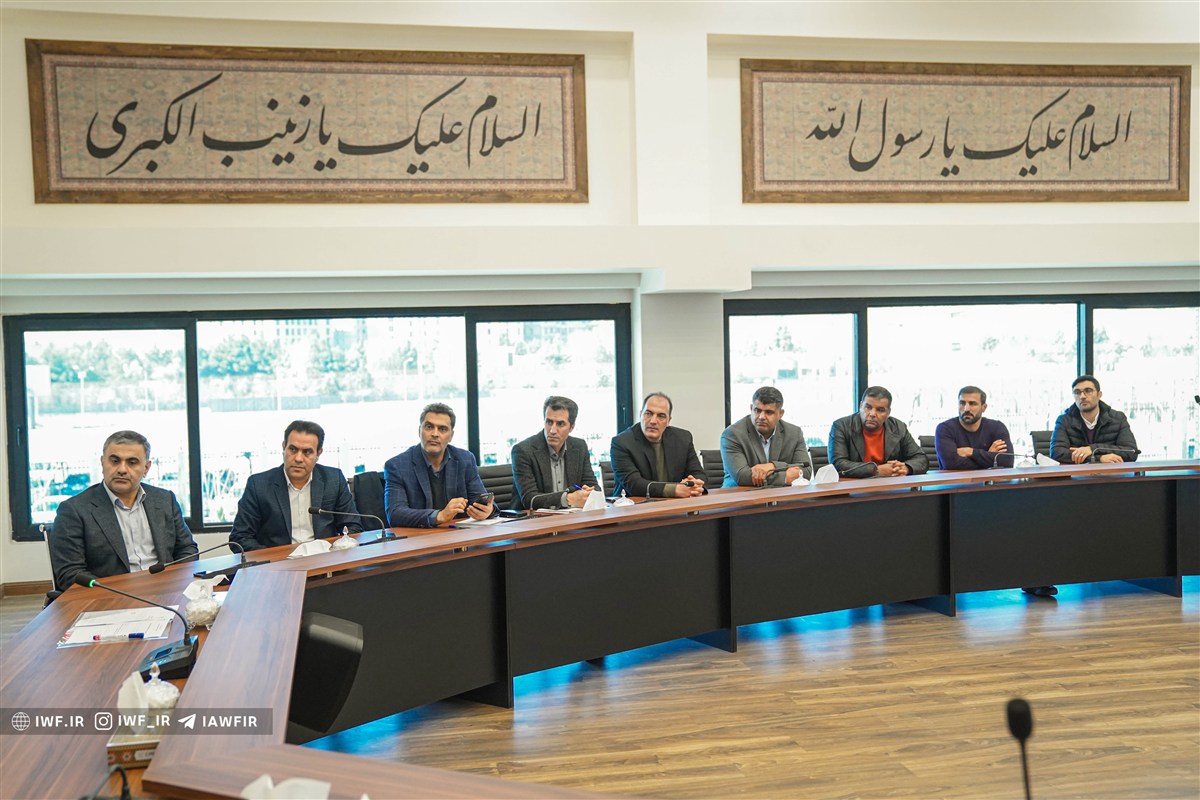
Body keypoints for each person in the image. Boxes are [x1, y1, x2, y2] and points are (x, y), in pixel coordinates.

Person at [49, 430, 197, 591]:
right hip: (111, 596)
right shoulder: (74, 510)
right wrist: (118, 594)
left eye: (132, 462)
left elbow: (187, 550)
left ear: (146, 468)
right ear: (102, 463)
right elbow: (69, 573)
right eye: (114, 461)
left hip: (166, 590)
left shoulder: (165, 500)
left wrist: (175, 583)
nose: (122, 469)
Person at [228, 420, 361, 551]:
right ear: (283, 447)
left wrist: (335, 551)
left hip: (325, 559)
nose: (298, 458)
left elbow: (353, 526)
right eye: (293, 449)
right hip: (279, 561)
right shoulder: (258, 485)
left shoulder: (334, 479)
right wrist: (273, 558)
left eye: (307, 452)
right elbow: (240, 537)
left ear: (318, 453)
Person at [384, 403, 497, 527]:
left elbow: (482, 500)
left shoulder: (465, 459)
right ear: (419, 431)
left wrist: (487, 510)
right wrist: (439, 516)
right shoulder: (397, 466)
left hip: (457, 534)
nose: (435, 434)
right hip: (418, 536)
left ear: (451, 436)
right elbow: (395, 514)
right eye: (429, 427)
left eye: (442, 429)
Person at [510, 396, 600, 510]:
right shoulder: (523, 450)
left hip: (571, 516)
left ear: (572, 427)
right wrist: (567, 498)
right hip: (533, 518)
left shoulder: (579, 447)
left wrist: (588, 493)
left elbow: (594, 487)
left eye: (560, 424)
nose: (552, 430)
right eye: (549, 422)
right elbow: (529, 499)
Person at [610, 392, 706, 498]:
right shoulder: (621, 443)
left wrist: (693, 484)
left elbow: (699, 474)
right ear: (640, 414)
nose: (653, 421)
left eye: (661, 416)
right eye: (648, 414)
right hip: (633, 504)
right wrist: (674, 490)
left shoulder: (683, 438)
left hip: (675, 504)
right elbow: (634, 484)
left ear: (669, 420)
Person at [720, 386, 812, 487]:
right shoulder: (732, 434)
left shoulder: (794, 433)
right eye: (757, 410)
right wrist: (785, 476)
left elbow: (806, 471)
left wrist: (771, 466)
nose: (761, 417)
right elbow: (743, 477)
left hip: (780, 494)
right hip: (740, 494)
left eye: (768, 412)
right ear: (751, 408)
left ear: (780, 413)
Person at [829, 386, 928, 478]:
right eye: (868, 407)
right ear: (860, 406)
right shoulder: (841, 426)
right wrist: (876, 470)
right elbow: (838, 464)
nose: (872, 414)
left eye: (880, 410)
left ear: (888, 413)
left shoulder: (898, 427)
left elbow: (921, 459)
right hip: (854, 486)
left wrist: (905, 468)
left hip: (890, 486)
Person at [1051, 375, 1139, 465]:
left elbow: (1132, 452)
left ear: (1099, 395)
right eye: (1077, 392)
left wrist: (1092, 449)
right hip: (1077, 473)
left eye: (1088, 391)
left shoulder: (1118, 418)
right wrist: (1098, 458)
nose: (1082, 396)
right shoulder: (1064, 420)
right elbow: (1056, 453)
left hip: (1110, 472)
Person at [934, 386, 1015, 470]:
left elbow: (1007, 462)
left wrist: (970, 452)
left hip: (990, 478)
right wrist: (988, 457)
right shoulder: (945, 429)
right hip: (956, 478)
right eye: (962, 403)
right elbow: (951, 464)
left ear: (984, 407)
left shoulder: (997, 428)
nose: (966, 409)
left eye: (972, 404)